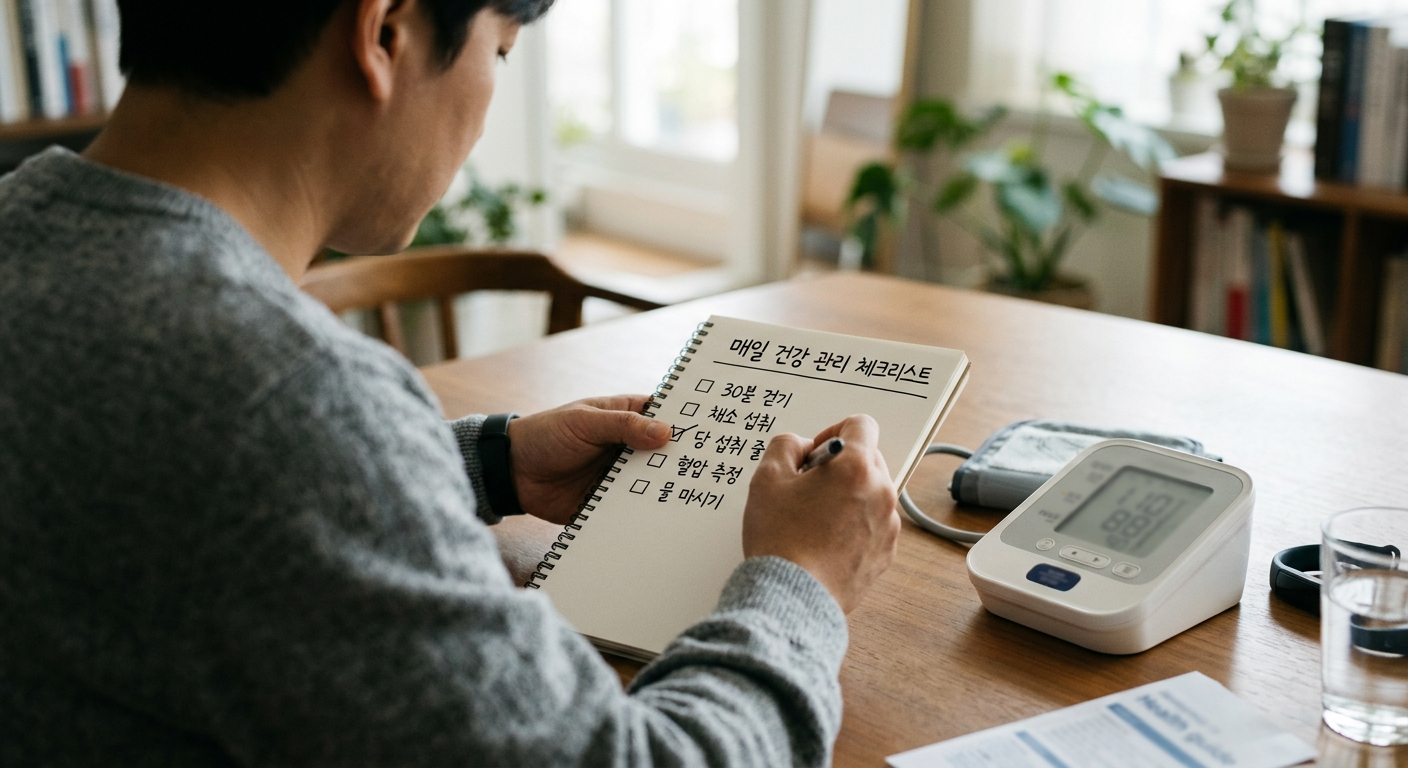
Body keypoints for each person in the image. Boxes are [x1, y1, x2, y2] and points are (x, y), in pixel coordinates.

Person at [0, 0, 901, 765]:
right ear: (385, 32)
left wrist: (481, 464)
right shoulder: (288, 397)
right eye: (500, 51)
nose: (488, 105)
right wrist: (802, 576)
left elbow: (157, 482)